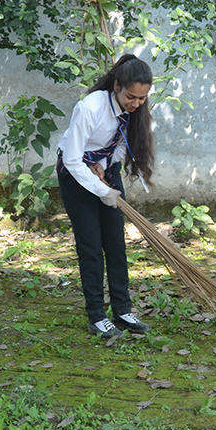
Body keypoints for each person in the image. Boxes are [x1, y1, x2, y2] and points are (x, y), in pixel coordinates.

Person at [57, 54, 155, 339]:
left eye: (142, 98)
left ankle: (122, 310)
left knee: (115, 243)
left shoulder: (135, 109)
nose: (136, 103)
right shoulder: (90, 107)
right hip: (74, 175)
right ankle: (97, 316)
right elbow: (72, 159)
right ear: (116, 86)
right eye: (130, 97)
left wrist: (103, 165)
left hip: (105, 171)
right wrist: (102, 189)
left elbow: (122, 146)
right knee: (91, 247)